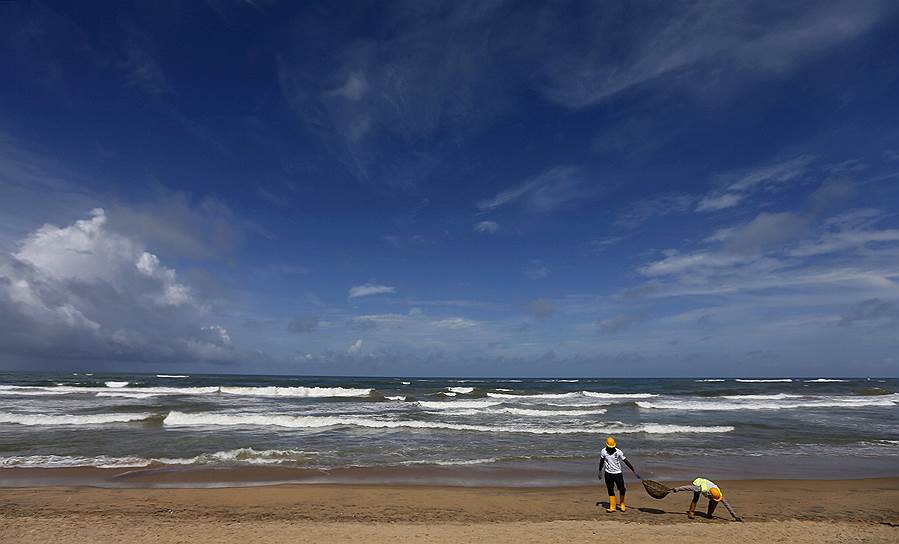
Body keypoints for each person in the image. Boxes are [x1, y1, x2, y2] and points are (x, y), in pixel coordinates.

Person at [597, 436, 640, 512]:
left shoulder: (618, 452)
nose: (611, 449)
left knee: (622, 489)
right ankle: (612, 506)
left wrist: (634, 471)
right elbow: (601, 462)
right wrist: (600, 471)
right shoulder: (603, 451)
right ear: (606, 445)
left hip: (618, 474)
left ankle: (622, 503)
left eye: (612, 447)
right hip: (608, 474)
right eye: (610, 447)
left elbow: (626, 461)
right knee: (610, 489)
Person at [671, 477, 742, 521]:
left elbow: (727, 505)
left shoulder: (717, 493)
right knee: (695, 499)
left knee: (714, 502)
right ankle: (691, 513)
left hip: (709, 488)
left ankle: (709, 515)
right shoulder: (700, 488)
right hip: (699, 483)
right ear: (709, 494)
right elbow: (687, 487)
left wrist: (735, 516)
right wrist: (676, 489)